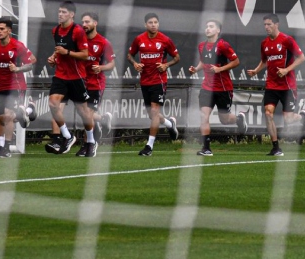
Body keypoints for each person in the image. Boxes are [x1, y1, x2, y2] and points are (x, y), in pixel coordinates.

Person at [246, 13, 305, 156]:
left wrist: (286, 70)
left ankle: (302, 117)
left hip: (287, 86)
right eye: (265, 24)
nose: (266, 27)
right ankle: (276, 147)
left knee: (288, 119)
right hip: (271, 85)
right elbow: (265, 61)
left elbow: (302, 57)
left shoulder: (287, 40)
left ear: (276, 25)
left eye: (269, 24)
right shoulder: (264, 43)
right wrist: (256, 70)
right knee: (268, 113)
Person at [45, 0, 98, 157]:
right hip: (61, 75)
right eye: (59, 11)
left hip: (77, 77)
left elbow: (85, 54)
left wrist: (66, 53)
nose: (60, 14)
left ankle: (90, 141)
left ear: (72, 14)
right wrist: (53, 57)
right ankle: (67, 136)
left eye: (64, 12)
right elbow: (58, 50)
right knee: (53, 104)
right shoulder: (55, 30)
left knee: (84, 112)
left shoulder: (78, 31)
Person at [188, 19, 247, 156]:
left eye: (211, 26)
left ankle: (239, 119)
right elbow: (203, 61)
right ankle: (206, 148)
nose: (208, 29)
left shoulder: (223, 45)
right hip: (207, 88)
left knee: (224, 119)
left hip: (223, 88)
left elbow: (236, 61)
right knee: (204, 116)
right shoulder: (202, 46)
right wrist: (195, 69)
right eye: (206, 26)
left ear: (218, 30)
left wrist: (221, 69)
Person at [127, 12, 181, 156]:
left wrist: (166, 65)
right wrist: (135, 64)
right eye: (150, 22)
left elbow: (177, 57)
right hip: (145, 81)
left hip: (159, 80)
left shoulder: (164, 40)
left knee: (155, 112)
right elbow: (129, 55)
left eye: (156, 22)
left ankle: (149, 146)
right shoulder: (139, 39)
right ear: (146, 24)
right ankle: (170, 124)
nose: (153, 25)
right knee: (152, 116)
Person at [0, 16, 37, 158]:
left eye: (2, 29)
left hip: (16, 85)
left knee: (8, 116)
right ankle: (29, 110)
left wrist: (18, 69)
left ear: (9, 30)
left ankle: (6, 148)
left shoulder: (17, 46)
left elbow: (31, 63)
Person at [81, 11, 115, 143]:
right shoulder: (79, 41)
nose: (84, 24)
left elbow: (112, 64)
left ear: (95, 23)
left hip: (96, 83)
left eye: (87, 22)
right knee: (84, 114)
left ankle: (88, 144)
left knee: (88, 114)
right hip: (80, 83)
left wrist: (101, 67)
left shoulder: (103, 42)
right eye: (83, 22)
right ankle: (102, 119)